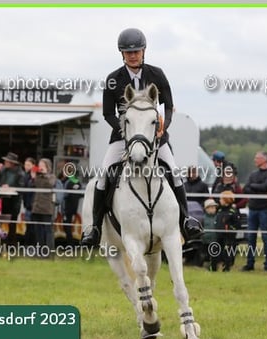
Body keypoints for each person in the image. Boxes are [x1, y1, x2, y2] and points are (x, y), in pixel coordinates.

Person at [80, 27, 203, 247]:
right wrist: (126, 133)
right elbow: (108, 113)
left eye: (136, 51)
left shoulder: (157, 74)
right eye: (128, 52)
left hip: (154, 137)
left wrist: (163, 128)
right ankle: (95, 228)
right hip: (122, 137)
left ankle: (186, 221)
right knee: (104, 175)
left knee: (174, 172)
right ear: (122, 54)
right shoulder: (113, 79)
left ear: (143, 51)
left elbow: (168, 106)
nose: (133, 55)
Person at [241, 151, 267, 272]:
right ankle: (249, 263)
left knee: (266, 237)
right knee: (251, 237)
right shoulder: (253, 174)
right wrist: (259, 190)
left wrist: (254, 187)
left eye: (257, 158)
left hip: (265, 209)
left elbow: (266, 186)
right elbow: (245, 189)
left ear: (264, 159)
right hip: (252, 209)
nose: (255, 160)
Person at [0, 152, 25, 243]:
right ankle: (0, 240)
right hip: (3, 199)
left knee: (12, 223)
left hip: (14, 201)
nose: (5, 163)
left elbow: (21, 187)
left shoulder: (20, 173)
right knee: (0, 221)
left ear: (12, 163)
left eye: (7, 161)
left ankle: (11, 243)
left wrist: (10, 187)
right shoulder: (4, 171)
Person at [213, 191, 241, 272]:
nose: (219, 200)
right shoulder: (219, 210)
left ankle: (227, 267)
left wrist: (229, 229)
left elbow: (237, 225)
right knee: (216, 250)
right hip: (219, 235)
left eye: (221, 199)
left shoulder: (233, 211)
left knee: (227, 252)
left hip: (228, 236)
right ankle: (214, 267)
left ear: (226, 200)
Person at [62, 171, 83, 245]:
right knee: (69, 225)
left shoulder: (68, 182)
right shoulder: (78, 182)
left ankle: (70, 243)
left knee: (67, 225)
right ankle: (70, 243)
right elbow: (80, 194)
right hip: (74, 208)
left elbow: (65, 195)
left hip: (67, 208)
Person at [22, 157, 38, 245]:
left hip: (34, 205)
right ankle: (28, 244)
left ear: (33, 165)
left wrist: (33, 178)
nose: (26, 166)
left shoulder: (36, 175)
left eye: (28, 165)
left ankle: (32, 244)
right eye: (25, 165)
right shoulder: (26, 176)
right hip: (28, 204)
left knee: (33, 227)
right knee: (28, 225)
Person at [201, 198, 218, 265]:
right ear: (206, 209)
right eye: (211, 207)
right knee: (206, 253)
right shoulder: (203, 218)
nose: (213, 209)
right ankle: (206, 262)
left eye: (214, 207)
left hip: (215, 240)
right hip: (206, 240)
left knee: (215, 254)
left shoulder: (217, 217)